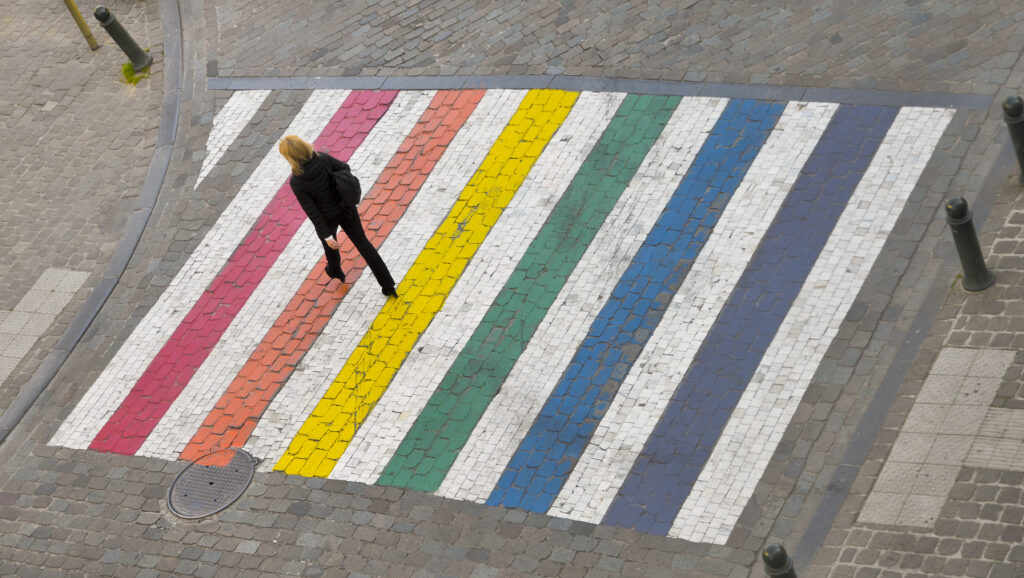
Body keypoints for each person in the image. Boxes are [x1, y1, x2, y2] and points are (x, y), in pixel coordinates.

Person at [278, 135, 397, 297]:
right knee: (363, 244)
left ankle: (335, 271)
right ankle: (388, 285)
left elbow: (312, 211)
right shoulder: (322, 158)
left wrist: (326, 235)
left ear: (290, 157)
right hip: (345, 207)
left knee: (330, 246)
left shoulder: (297, 182)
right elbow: (344, 167)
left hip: (326, 219)